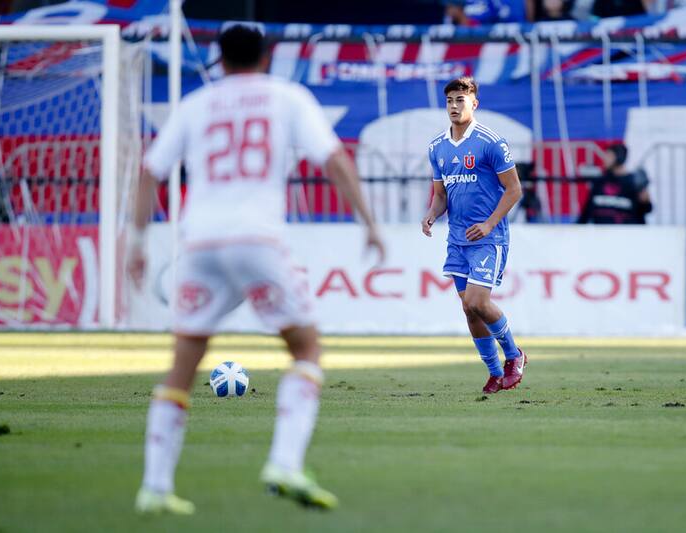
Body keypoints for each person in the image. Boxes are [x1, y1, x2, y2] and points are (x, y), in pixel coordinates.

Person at [128, 25, 385, 514]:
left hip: (199, 242)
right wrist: (368, 221)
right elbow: (333, 160)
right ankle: (285, 462)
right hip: (256, 240)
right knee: (306, 348)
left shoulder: (196, 104)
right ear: (267, 57)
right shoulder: (286, 96)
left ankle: (155, 488)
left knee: (183, 364)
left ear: (218, 60)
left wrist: (137, 243)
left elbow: (150, 171)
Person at [421, 76, 527, 394]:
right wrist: (431, 214)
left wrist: (491, 223)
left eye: (460, 101)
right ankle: (495, 373)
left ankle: (514, 355)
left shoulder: (491, 142)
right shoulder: (437, 147)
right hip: (456, 240)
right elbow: (441, 195)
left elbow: (514, 189)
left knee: (478, 301)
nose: (454, 106)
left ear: (474, 104)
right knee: (468, 309)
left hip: (488, 237)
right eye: (450, 101)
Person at [577, 143, 653, 224]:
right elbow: (586, 211)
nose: (604, 159)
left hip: (627, 234)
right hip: (601, 234)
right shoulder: (600, 181)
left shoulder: (633, 181)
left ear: (619, 157)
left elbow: (646, 209)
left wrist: (645, 201)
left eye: (609, 156)